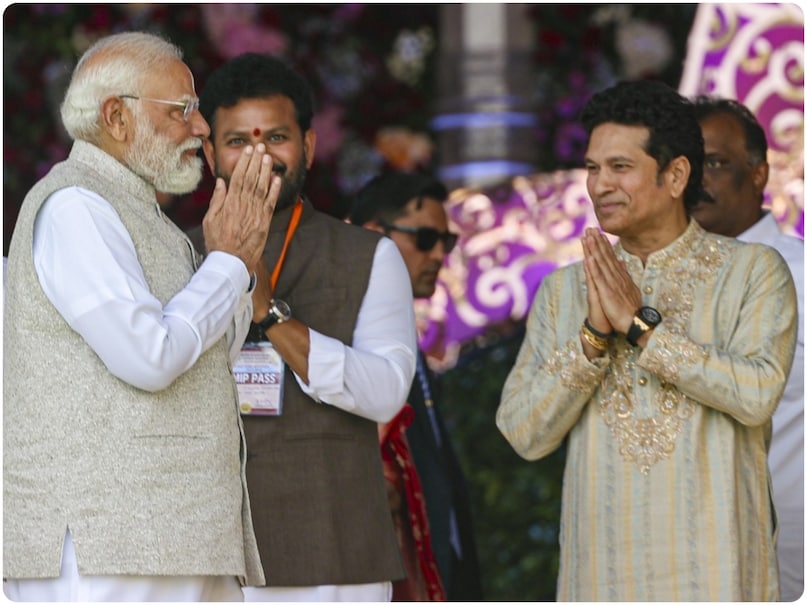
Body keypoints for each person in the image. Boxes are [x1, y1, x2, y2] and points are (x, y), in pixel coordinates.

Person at [496, 80, 798, 601]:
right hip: (602, 578)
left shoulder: (753, 271)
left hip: (719, 574)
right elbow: (523, 431)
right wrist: (592, 338)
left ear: (676, 174)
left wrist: (642, 331)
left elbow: (756, 395)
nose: (600, 185)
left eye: (620, 167)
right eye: (592, 168)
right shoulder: (564, 290)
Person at [4, 31, 279, 601]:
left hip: (172, 533)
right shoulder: (76, 206)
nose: (202, 128)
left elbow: (209, 356)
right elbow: (149, 358)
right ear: (116, 118)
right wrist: (226, 263)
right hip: (112, 542)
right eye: (183, 109)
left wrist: (236, 266)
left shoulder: (140, 214)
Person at [188, 53, 418, 602]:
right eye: (238, 140)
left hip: (334, 552)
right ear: (208, 153)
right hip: (208, 553)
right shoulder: (177, 253)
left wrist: (270, 314)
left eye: (277, 138)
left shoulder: (369, 255)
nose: (259, 155)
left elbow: (386, 394)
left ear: (309, 148)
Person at [349, 171, 484, 601]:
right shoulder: (341, 334)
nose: (439, 254)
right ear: (373, 238)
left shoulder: (406, 331)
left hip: (442, 564)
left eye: (447, 241)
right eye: (425, 238)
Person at [691, 95, 804, 602]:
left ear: (758, 175)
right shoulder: (652, 288)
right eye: (685, 164)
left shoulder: (799, 276)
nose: (697, 181)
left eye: (714, 163)